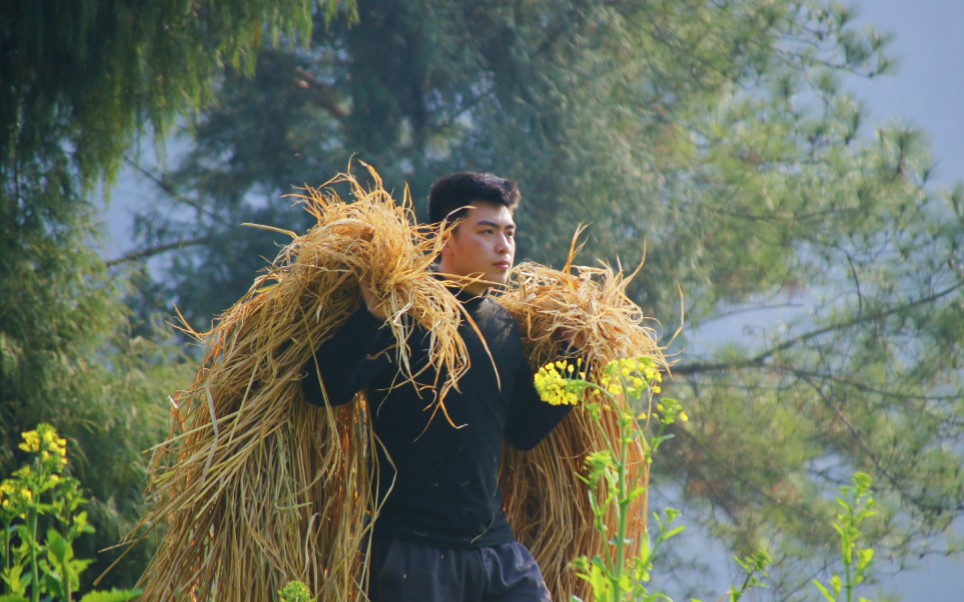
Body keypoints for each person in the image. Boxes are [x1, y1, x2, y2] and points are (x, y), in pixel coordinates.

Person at [303, 172, 573, 602]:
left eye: (509, 232)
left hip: (496, 552)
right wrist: (370, 317)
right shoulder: (404, 314)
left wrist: (576, 364)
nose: (504, 246)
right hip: (415, 556)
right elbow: (324, 390)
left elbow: (522, 430)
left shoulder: (504, 326)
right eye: (486, 232)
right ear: (445, 238)